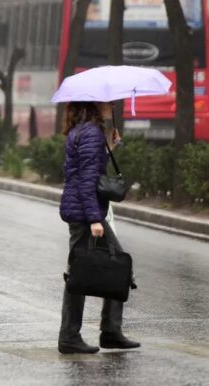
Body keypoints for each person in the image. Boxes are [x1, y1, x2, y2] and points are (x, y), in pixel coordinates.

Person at [58, 100, 140, 354]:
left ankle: (110, 331)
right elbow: (86, 181)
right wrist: (94, 219)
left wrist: (110, 146)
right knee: (84, 274)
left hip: (83, 211)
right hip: (85, 215)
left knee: (114, 266)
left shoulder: (85, 130)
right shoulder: (91, 133)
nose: (112, 105)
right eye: (108, 102)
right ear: (94, 104)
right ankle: (72, 337)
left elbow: (90, 171)